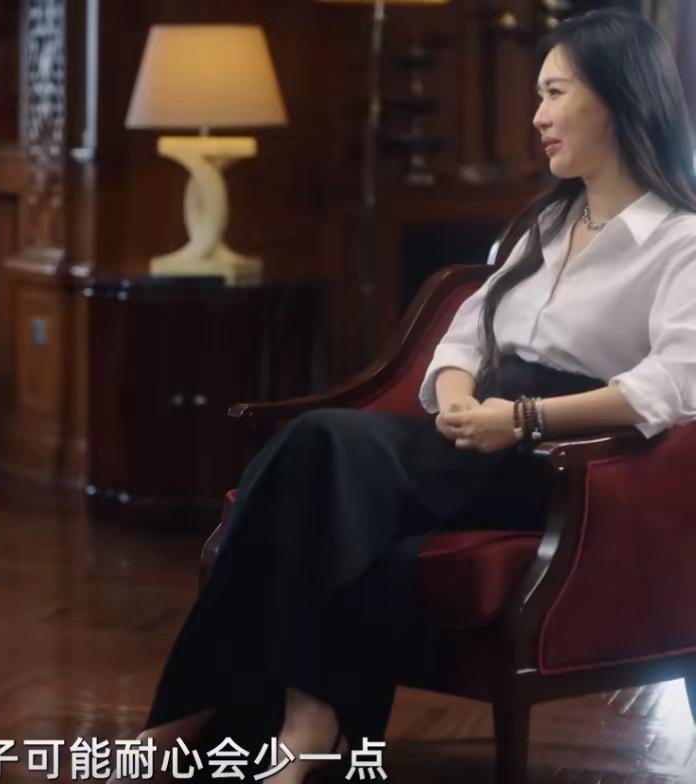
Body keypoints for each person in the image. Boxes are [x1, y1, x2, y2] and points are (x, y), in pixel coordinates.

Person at [119, 9, 696, 783]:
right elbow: (468, 334)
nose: (537, 116)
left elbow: (671, 385)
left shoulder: (681, 241)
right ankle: (300, 715)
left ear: (619, 100)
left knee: (320, 443)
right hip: (476, 437)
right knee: (316, 478)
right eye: (537, 95)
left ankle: (198, 722)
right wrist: (458, 397)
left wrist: (523, 419)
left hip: (567, 467)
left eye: (555, 93)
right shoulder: (549, 223)